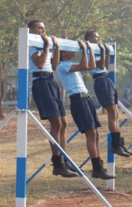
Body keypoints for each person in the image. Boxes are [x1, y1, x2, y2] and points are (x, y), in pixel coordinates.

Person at [56, 40, 115, 179]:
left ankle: (98, 166)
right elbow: (86, 65)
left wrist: (95, 51)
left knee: (95, 132)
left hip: (86, 98)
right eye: (71, 50)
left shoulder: (70, 64)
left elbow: (92, 65)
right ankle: (97, 168)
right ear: (64, 53)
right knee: (90, 132)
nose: (74, 53)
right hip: (78, 100)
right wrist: (84, 50)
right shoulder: (63, 66)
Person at [27, 20, 76, 178]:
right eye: (40, 28)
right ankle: (57, 163)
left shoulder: (43, 45)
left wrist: (57, 48)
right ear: (31, 30)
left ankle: (64, 158)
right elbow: (40, 64)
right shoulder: (33, 45)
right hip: (41, 82)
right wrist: (47, 46)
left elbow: (53, 67)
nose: (43, 30)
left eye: (44, 28)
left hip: (51, 81)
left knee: (64, 123)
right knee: (56, 123)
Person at [84, 31, 129, 157]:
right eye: (96, 37)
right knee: (111, 111)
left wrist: (107, 51)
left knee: (115, 111)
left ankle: (118, 143)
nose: (99, 39)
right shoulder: (88, 49)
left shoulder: (97, 49)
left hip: (106, 78)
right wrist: (103, 51)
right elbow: (99, 65)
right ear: (90, 38)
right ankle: (115, 144)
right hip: (100, 80)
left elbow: (105, 65)